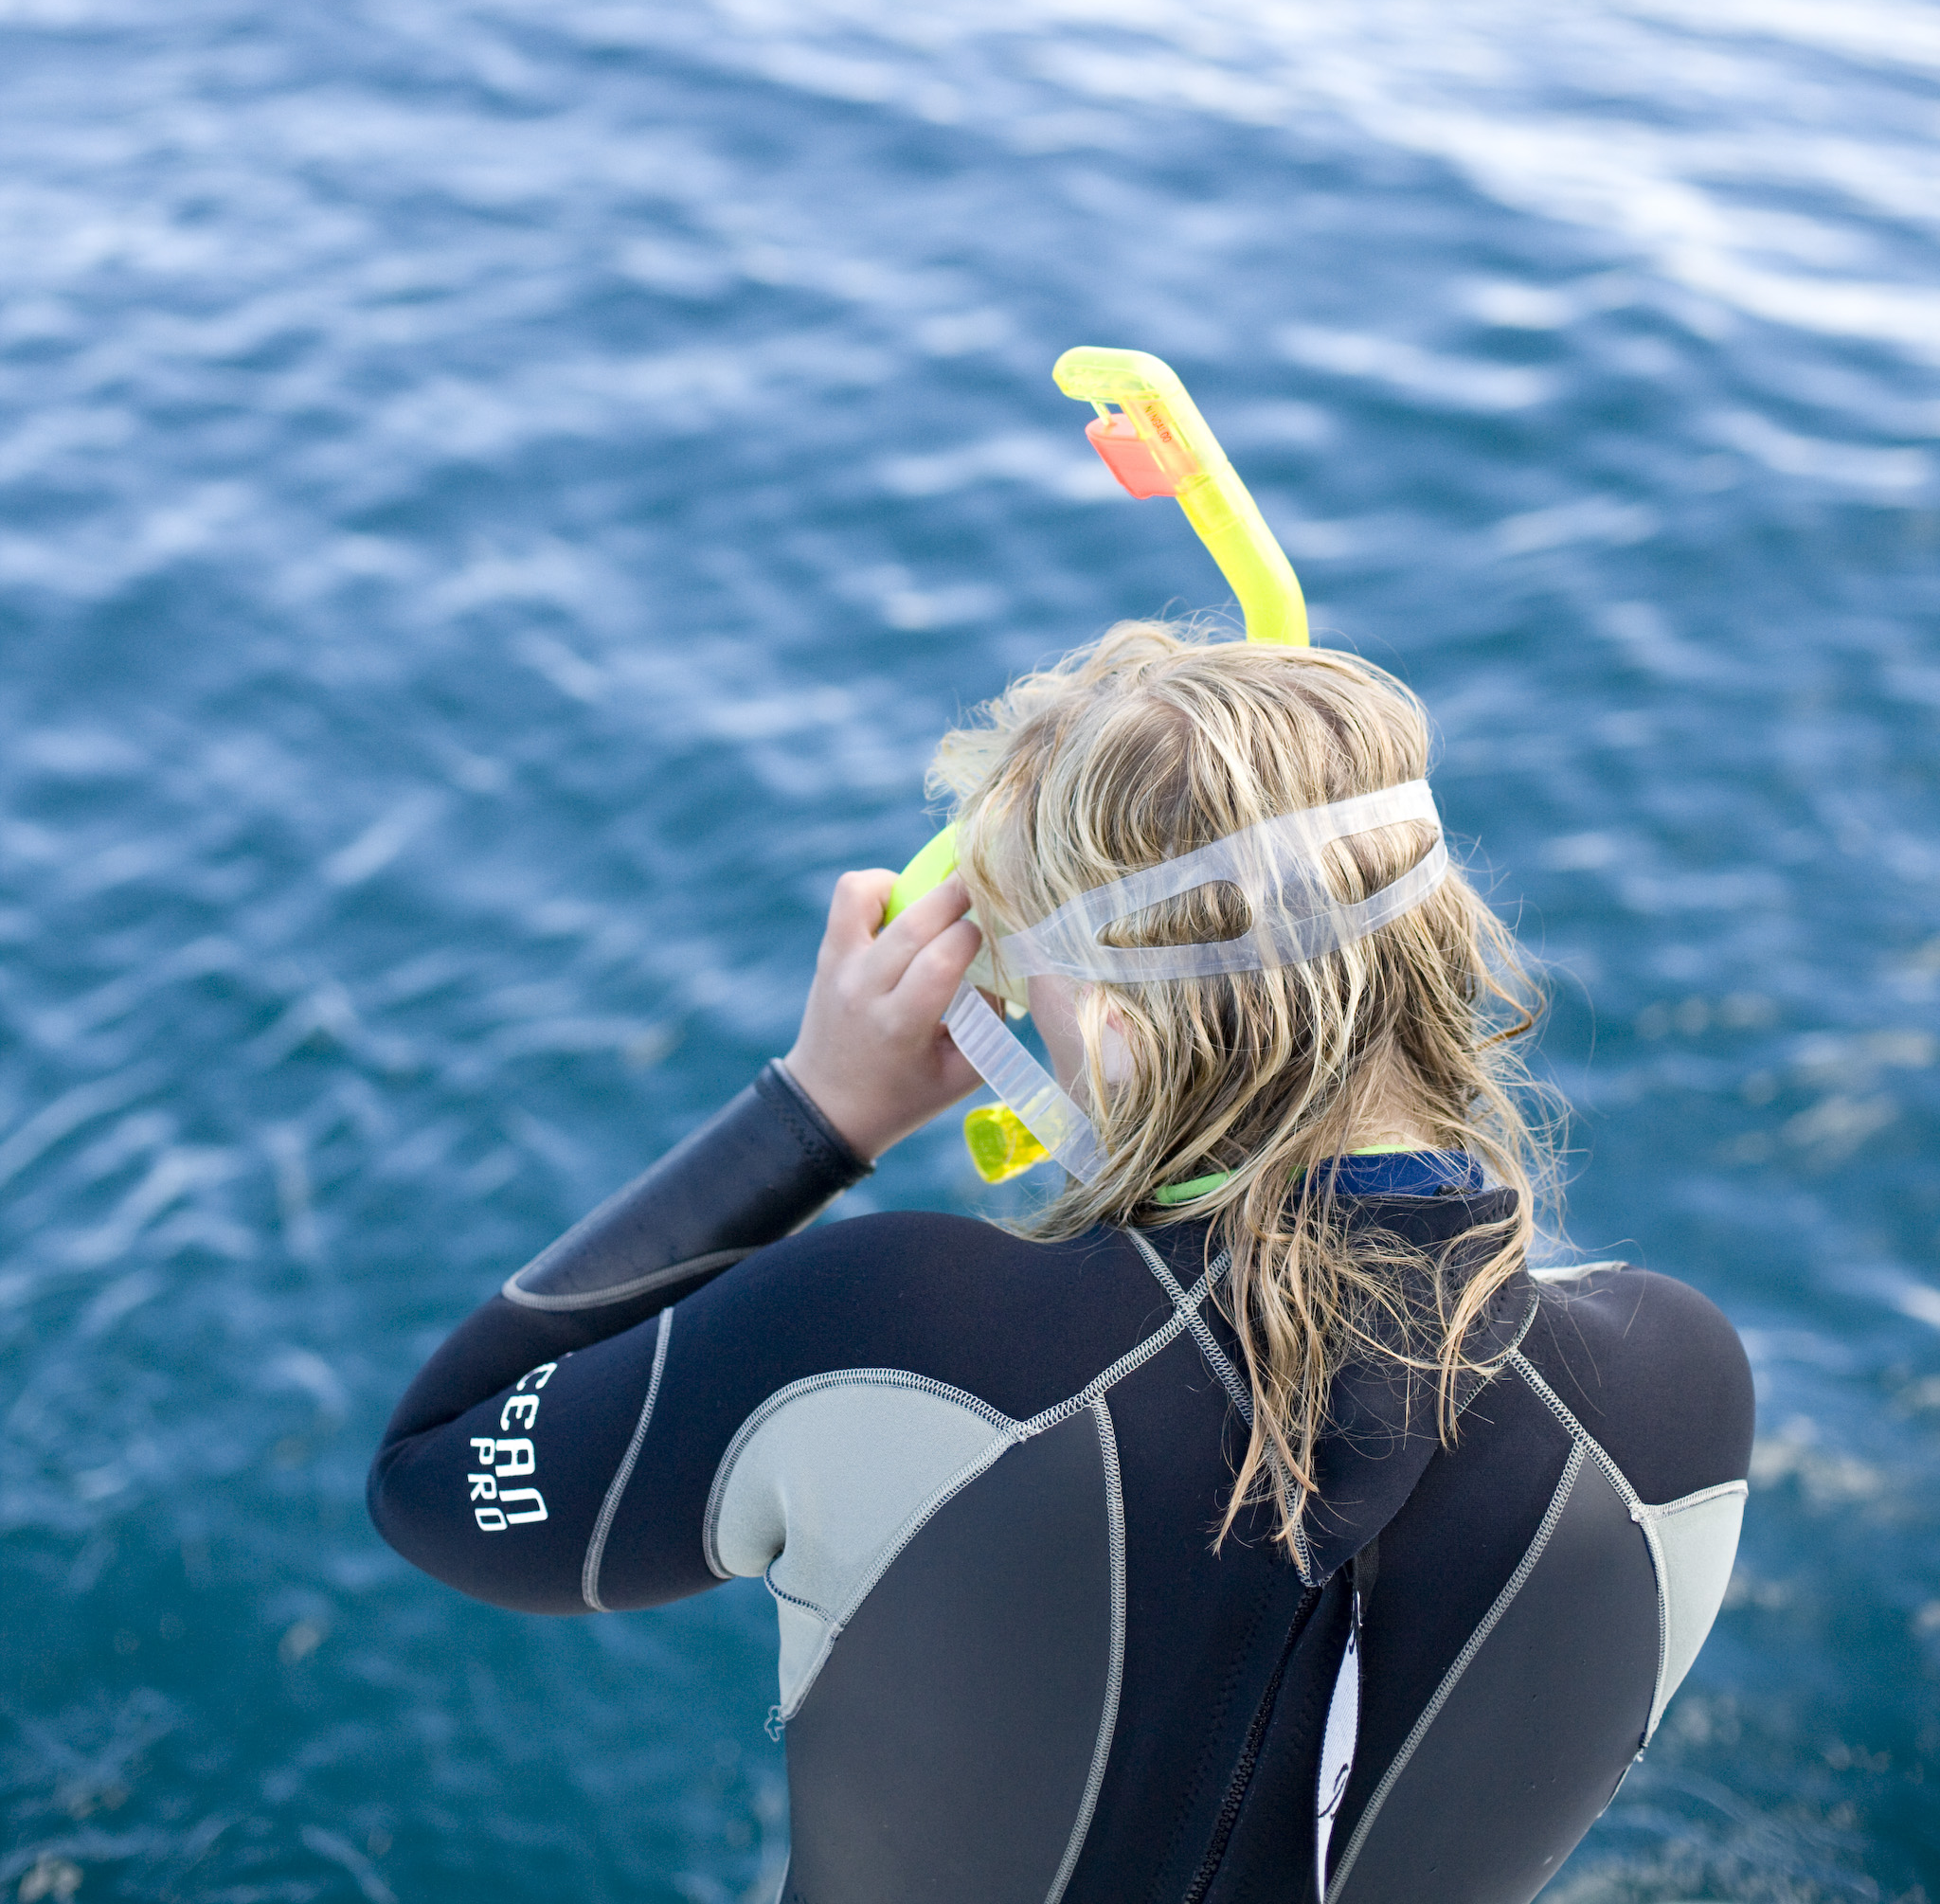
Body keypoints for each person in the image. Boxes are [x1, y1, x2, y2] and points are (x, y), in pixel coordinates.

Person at [368, 625, 1753, 1904]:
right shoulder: (1674, 1398)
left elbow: (434, 1476)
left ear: (1116, 1028)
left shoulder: (894, 1329)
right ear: (1436, 939)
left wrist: (817, 1111)